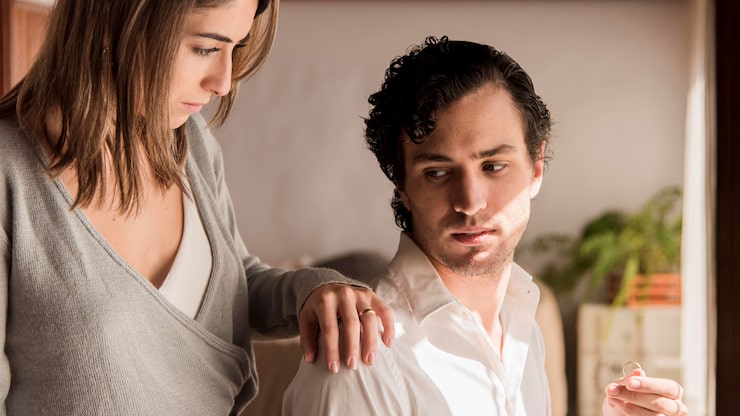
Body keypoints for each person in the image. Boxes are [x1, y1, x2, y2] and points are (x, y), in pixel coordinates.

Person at [0, 0, 394, 414]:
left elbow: (235, 284)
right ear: (117, 22)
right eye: (205, 48)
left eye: (236, 48)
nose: (223, 82)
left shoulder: (191, 145)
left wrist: (314, 289)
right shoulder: (10, 174)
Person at [282, 36, 688, 416]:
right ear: (401, 185)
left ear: (536, 167)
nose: (470, 202)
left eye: (493, 166)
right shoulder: (358, 365)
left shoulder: (523, 325)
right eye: (437, 172)